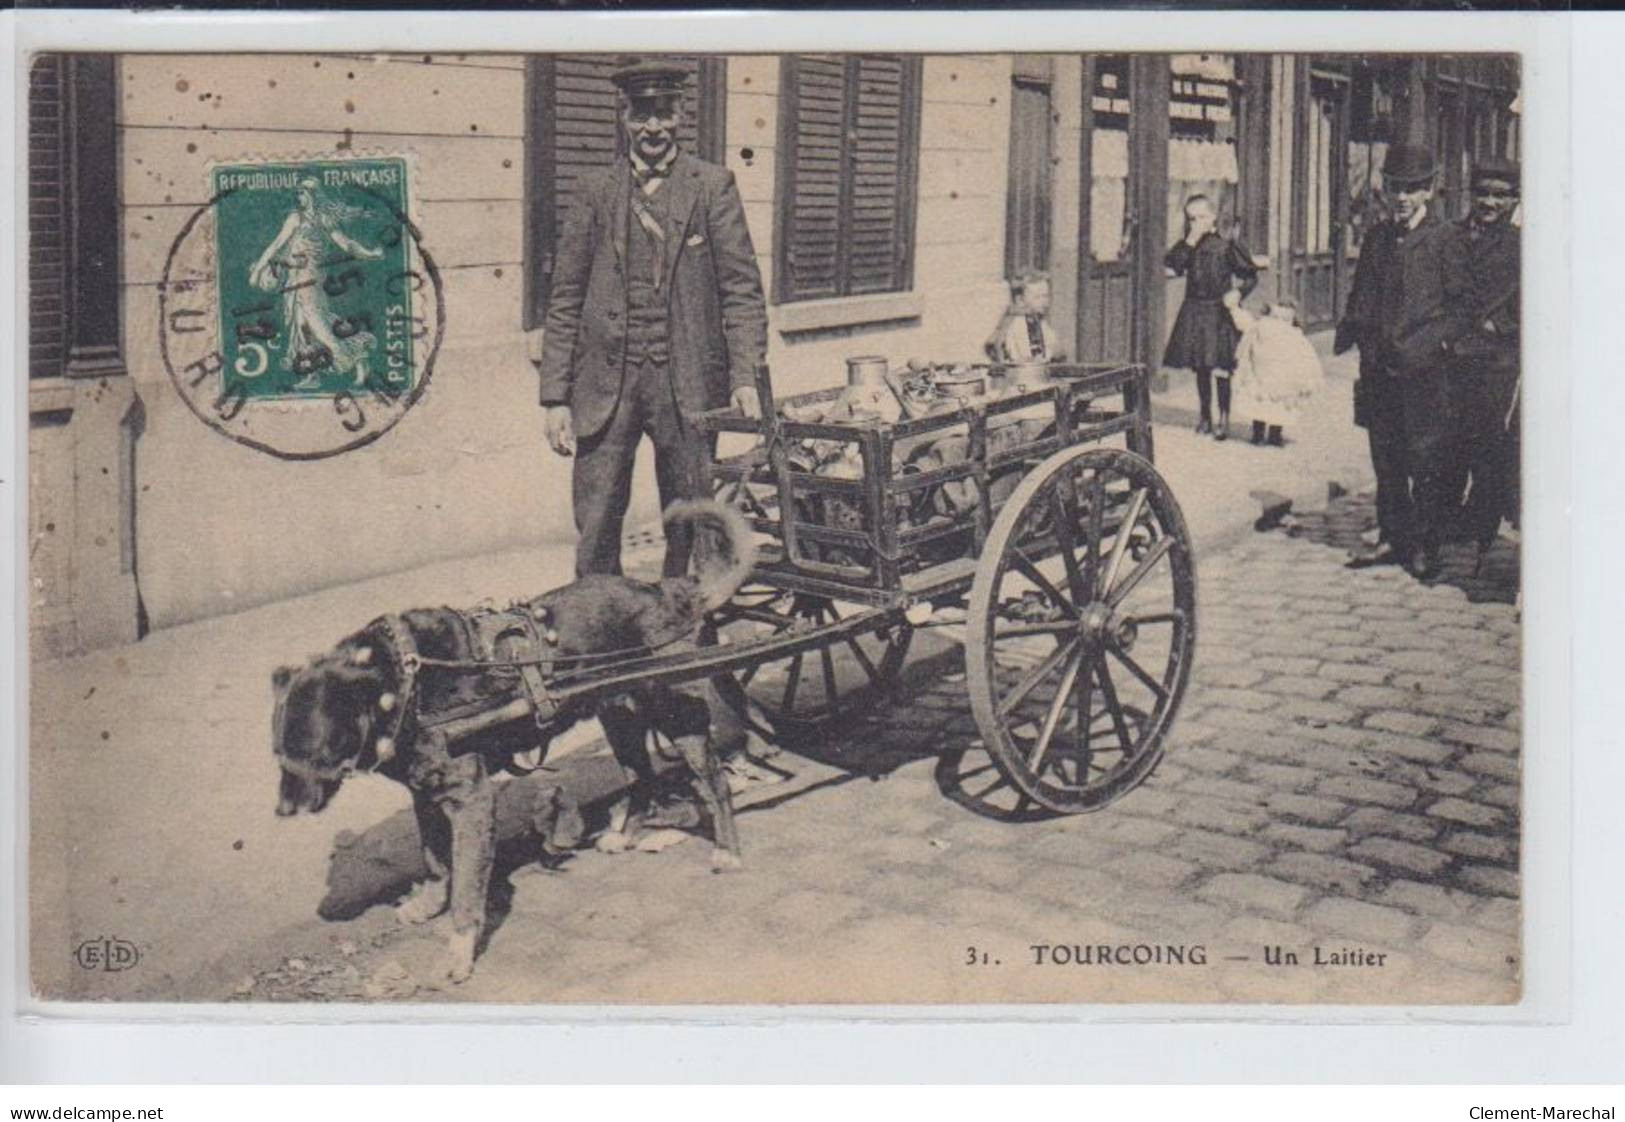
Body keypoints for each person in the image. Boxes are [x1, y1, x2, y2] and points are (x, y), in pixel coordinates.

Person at [535, 58, 769, 580]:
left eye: (664, 113)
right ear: (624, 118)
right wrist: (555, 397)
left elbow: (742, 292)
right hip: (603, 389)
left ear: (681, 114)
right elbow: (566, 298)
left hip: (685, 386)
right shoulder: (594, 191)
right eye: (642, 115)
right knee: (596, 521)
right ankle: (599, 640)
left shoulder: (712, 187)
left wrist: (745, 376)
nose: (654, 128)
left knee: (690, 520)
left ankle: (689, 636)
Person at [1335, 142, 1470, 580]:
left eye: (1412, 189)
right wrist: (1358, 338)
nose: (1402, 198)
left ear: (1428, 190)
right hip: (1378, 370)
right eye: (1395, 188)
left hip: (1424, 373)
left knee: (1425, 462)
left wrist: (1429, 347)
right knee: (1386, 460)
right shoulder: (1377, 237)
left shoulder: (1445, 238)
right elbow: (1361, 294)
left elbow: (1461, 309)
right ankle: (1393, 537)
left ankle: (1426, 547)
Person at [1449, 157, 1521, 567]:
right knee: (1449, 436)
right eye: (1482, 194)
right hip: (1453, 352)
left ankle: (1482, 522)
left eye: (1499, 195)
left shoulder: (1522, 244)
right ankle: (1448, 517)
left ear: (1513, 200)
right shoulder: (1451, 237)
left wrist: (1502, 323)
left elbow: (1537, 297)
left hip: (1497, 358)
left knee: (1491, 438)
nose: (1489, 203)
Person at [249, 177, 385, 388]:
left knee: (319, 326)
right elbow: (277, 244)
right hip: (295, 279)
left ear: (312, 195)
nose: (298, 197)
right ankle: (312, 375)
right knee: (303, 327)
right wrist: (258, 270)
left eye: (302, 193)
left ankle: (358, 357)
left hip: (310, 278)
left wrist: (370, 254)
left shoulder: (324, 219)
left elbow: (346, 244)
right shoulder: (295, 218)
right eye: (298, 193)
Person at [1163, 195, 1259, 441]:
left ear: (1213, 217)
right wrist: (1189, 241)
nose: (1197, 223)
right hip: (1195, 309)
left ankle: (1224, 417)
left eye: (1202, 217)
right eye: (1191, 218)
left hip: (1218, 311)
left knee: (1221, 367)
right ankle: (1205, 415)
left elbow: (1250, 276)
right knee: (1201, 366)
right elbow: (1173, 266)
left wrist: (1238, 292)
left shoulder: (1226, 245)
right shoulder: (1190, 246)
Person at [1224, 294, 1324, 447]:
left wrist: (1233, 308)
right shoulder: (1292, 332)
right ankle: (1274, 435)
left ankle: (1258, 434)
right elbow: (1304, 354)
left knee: (1259, 402)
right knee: (1280, 405)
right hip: (1282, 379)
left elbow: (1244, 328)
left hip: (1260, 374)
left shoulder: (1259, 326)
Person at [985, 271, 1066, 366]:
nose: (1045, 302)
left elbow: (1057, 349)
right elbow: (1026, 356)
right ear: (1020, 300)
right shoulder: (1017, 323)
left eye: (1046, 296)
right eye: (1038, 297)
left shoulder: (1037, 321)